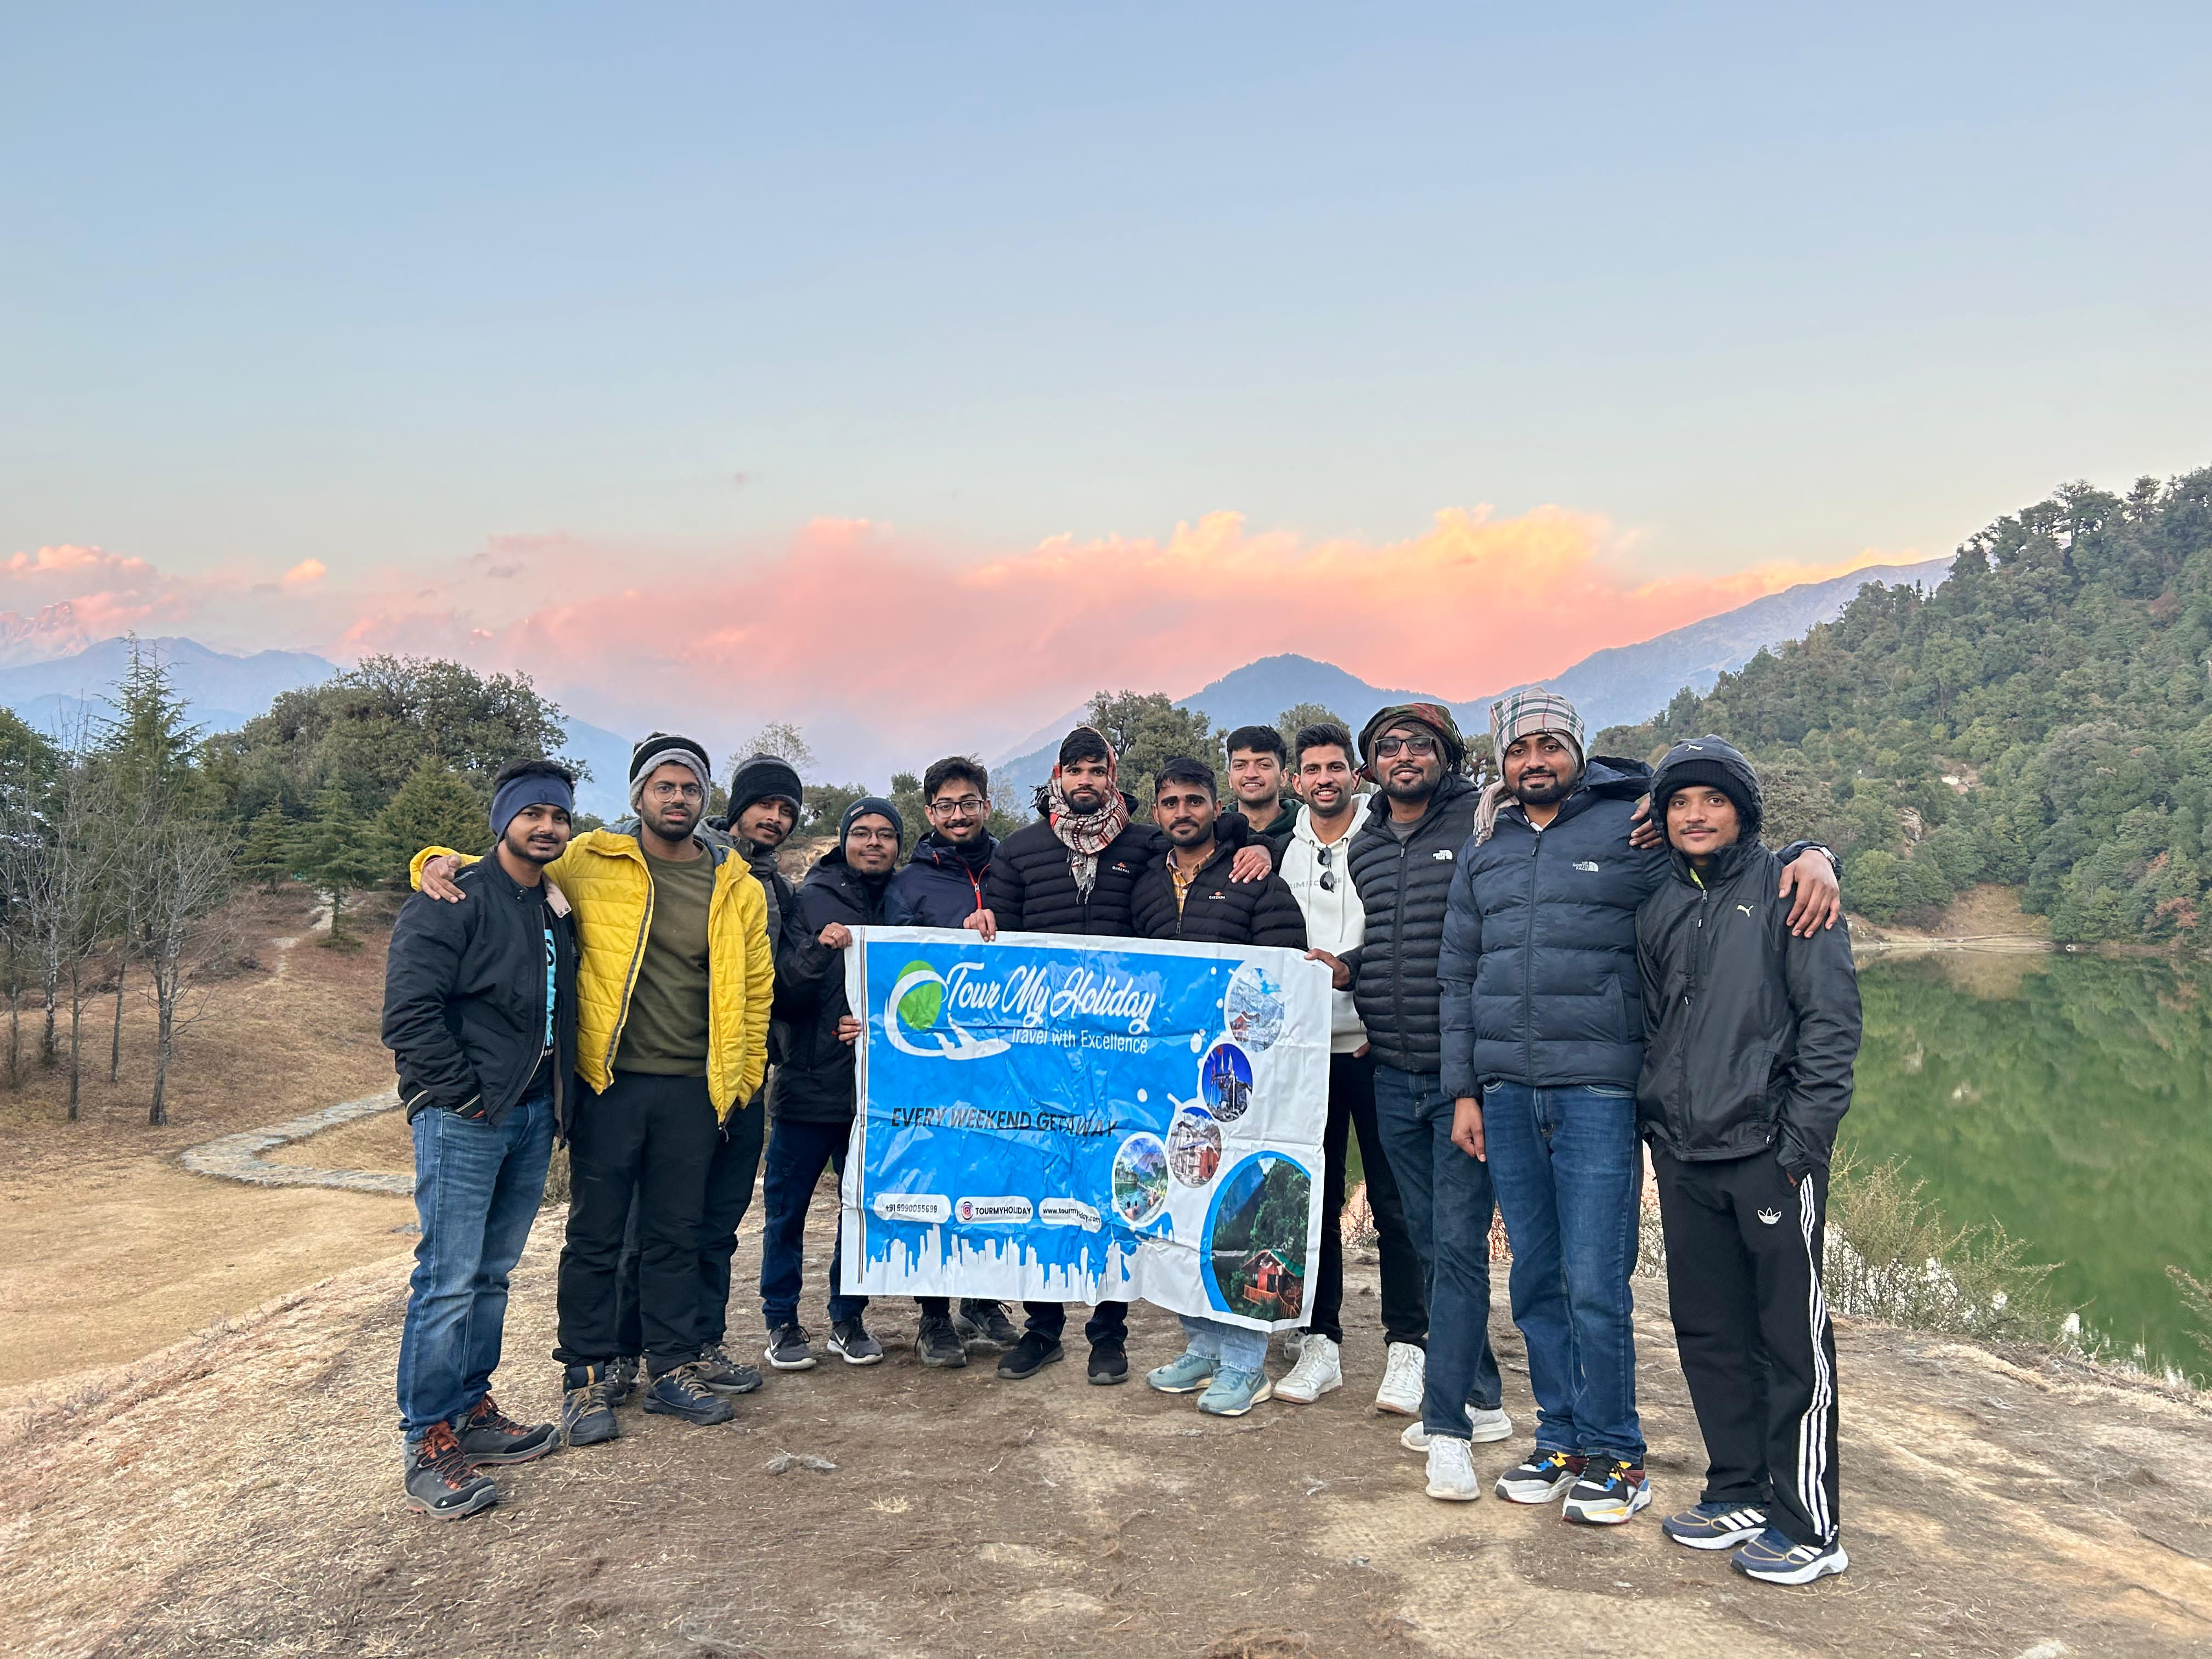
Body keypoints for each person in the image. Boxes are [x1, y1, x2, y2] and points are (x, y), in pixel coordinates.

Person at [1438, 692, 1840, 1521]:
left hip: (1599, 1092)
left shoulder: (1631, 835)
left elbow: (1728, 856)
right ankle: (1562, 1436)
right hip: (1507, 1092)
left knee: (1595, 1280)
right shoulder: (1485, 848)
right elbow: (1457, 974)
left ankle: (1619, 1455)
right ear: (1502, 763)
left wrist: (1816, 851)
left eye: (1552, 744)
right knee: (1536, 1281)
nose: (1535, 761)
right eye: (1520, 750)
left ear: (1578, 753)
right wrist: (1465, 1090)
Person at [413, 732, 774, 1444]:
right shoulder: (589, 859)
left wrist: (743, 1078)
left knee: (676, 1232)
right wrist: (431, 860)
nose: (678, 798)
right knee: (597, 1235)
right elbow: (498, 870)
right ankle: (587, 1374)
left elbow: (756, 988)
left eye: (690, 788)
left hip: (694, 1088)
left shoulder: (736, 883)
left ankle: (670, 1367)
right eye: (664, 786)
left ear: (706, 802)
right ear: (637, 795)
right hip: (607, 1083)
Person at [969, 725, 1273, 1385]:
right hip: (1042, 1050)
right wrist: (983, 921)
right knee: (1046, 1184)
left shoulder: (1147, 844)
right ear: (1057, 775)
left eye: (1096, 770)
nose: (1085, 781)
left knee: (1120, 1183)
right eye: (1073, 770)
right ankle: (1042, 1327)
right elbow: (996, 928)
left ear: (1113, 776)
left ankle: (1110, 1333)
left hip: (1124, 1051)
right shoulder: (1020, 849)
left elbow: (1214, 842)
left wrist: (1257, 848)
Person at [1638, 736, 1858, 1585]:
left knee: (1789, 1340)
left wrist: (1797, 1147)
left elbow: (1831, 1030)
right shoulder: (1659, 901)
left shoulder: (1791, 892)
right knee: (1709, 1332)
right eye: (1679, 802)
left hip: (1768, 1156)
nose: (1696, 815)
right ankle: (1736, 1488)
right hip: (1686, 1153)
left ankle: (1810, 1524)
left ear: (1744, 812)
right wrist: (1660, 1128)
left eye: (1713, 801)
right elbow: (1659, 1028)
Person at [383, 759, 578, 1518]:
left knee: (492, 1274)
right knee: (448, 1277)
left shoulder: (556, 904)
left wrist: (552, 1107)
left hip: (532, 1116)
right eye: (531, 813)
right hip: (467, 1119)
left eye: (558, 815)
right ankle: (427, 1437)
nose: (547, 827)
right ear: (502, 821)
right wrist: (461, 1097)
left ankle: (472, 1410)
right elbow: (408, 1015)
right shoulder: (451, 896)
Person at [1334, 703, 1513, 1499]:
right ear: (1372, 763)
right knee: (1427, 1236)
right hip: (1391, 1068)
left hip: (1461, 1076)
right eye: (1389, 746)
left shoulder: (1483, 822)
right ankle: (1484, 1392)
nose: (1404, 756)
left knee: (1458, 1239)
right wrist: (1348, 971)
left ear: (1446, 755)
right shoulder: (1366, 844)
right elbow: (1391, 942)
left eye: (1420, 744)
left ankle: (1450, 1424)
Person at [610, 752, 805, 1401]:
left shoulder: (774, 886)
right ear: (735, 806)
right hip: (674, 1076)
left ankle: (701, 1342)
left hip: (745, 1076)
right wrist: (435, 861)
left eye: (786, 811)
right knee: (651, 1224)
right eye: (764, 805)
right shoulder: (692, 861)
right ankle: (622, 1350)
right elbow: (535, 858)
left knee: (719, 1219)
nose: (774, 819)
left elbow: (781, 984)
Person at [1128, 757, 1307, 1415]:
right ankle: (1201, 1345)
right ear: (1157, 813)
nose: (1183, 812)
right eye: (1170, 802)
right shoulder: (1145, 885)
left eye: (1194, 800)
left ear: (1214, 806)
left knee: (1244, 1213)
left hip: (1243, 1080)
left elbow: (1285, 977)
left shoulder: (1254, 877)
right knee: (1181, 1212)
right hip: (1171, 1080)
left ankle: (1246, 1362)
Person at [1268, 723, 1428, 1412]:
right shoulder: (1275, 850)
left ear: (1357, 775)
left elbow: (1404, 935)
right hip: (1306, 1057)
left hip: (1379, 1046)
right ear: (1295, 781)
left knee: (1395, 1202)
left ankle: (1408, 1347)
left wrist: (1368, 997)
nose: (1325, 778)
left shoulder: (1387, 837)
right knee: (1314, 1202)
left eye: (1337, 766)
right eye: (1312, 768)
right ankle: (1321, 1341)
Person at [884, 755, 1023, 1366]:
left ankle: (984, 1300)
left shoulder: (1013, 868)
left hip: (1007, 1060)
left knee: (996, 1179)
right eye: (945, 806)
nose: (958, 815)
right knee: (935, 1180)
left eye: (969, 803)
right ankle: (934, 1315)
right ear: (929, 813)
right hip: (934, 1063)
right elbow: (893, 970)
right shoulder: (908, 883)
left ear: (987, 806)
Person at [758, 796, 903, 1372]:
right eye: (862, 832)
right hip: (808, 1081)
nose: (874, 843)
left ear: (899, 844)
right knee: (786, 1209)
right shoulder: (811, 898)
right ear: (844, 840)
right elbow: (783, 992)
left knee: (859, 1207)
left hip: (875, 1090)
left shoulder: (905, 901)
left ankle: (848, 1317)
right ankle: (781, 1321)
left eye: (886, 834)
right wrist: (821, 950)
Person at [1223, 724, 1294, 853]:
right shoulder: (1213, 833)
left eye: (1264, 765)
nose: (1251, 774)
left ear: (1283, 777)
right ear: (1230, 778)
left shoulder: (1307, 829)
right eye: (1240, 766)